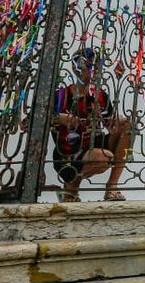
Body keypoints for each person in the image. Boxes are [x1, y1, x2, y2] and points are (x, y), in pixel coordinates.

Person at [52, 47, 131, 201]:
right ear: (75, 69)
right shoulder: (60, 96)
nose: (90, 71)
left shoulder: (99, 95)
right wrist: (58, 118)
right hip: (67, 153)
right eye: (86, 66)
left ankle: (112, 187)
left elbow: (111, 125)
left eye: (93, 67)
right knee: (103, 157)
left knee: (126, 129)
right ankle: (71, 189)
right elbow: (30, 122)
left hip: (94, 145)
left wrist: (118, 120)